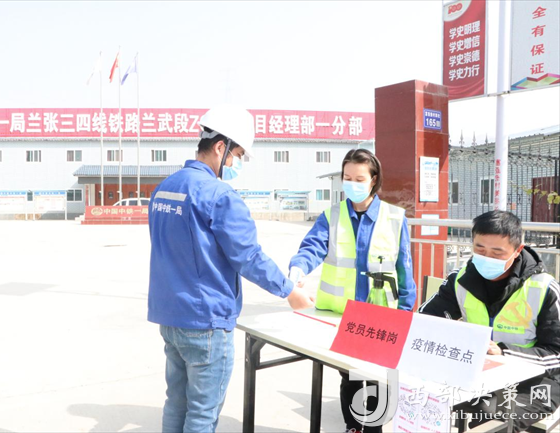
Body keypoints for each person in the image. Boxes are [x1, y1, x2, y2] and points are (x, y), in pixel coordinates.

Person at [147, 104, 315, 433]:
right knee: (202, 415)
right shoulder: (219, 195)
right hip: (206, 321)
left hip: (170, 315)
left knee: (176, 404)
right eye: (236, 155)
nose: (236, 164)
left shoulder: (165, 188)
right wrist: (289, 291)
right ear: (220, 147)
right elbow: (248, 256)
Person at [288, 148, 416, 433]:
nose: (352, 184)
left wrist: (406, 312)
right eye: (347, 178)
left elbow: (404, 268)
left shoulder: (395, 218)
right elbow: (312, 248)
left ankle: (372, 428)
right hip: (341, 316)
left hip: (381, 317)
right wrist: (298, 268)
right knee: (350, 377)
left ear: (374, 179)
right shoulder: (331, 216)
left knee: (378, 380)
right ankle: (353, 427)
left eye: (359, 179)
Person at [419, 210, 560, 432]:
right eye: (480, 249)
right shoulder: (460, 279)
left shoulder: (543, 288)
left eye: (497, 252)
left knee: (488, 419)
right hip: (478, 372)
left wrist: (503, 352)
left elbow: (556, 354)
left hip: (537, 380)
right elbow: (425, 321)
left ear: (517, 250)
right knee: (422, 398)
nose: (486, 258)